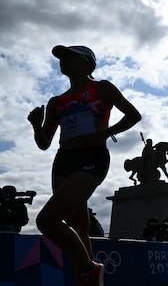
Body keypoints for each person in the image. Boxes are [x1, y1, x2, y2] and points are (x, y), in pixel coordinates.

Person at [28, 45, 141, 286]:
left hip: (92, 156)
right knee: (78, 224)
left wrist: (107, 133)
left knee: (46, 220)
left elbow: (133, 115)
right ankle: (86, 281)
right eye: (61, 58)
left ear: (87, 63)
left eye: (69, 57)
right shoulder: (56, 101)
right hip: (63, 160)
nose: (63, 61)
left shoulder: (101, 87)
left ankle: (90, 269)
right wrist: (36, 126)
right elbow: (44, 143)